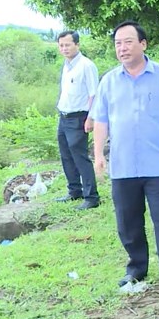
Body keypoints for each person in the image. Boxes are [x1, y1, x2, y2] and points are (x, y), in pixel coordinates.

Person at [90, 20, 159, 300]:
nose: (122, 48)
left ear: (143, 44)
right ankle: (136, 268)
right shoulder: (109, 80)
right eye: (117, 44)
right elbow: (100, 120)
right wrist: (98, 154)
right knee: (128, 222)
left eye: (128, 42)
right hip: (123, 165)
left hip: (158, 163)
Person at [54, 30, 101, 211]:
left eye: (68, 44)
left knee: (80, 157)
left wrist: (90, 118)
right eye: (61, 45)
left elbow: (94, 94)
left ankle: (92, 197)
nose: (64, 48)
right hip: (64, 116)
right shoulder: (66, 65)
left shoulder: (86, 65)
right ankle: (74, 190)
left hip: (79, 117)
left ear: (77, 45)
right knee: (66, 155)